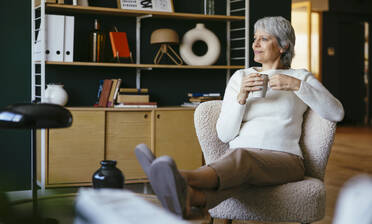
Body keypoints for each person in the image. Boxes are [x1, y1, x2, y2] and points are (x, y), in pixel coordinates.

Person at [135, 16, 344, 218]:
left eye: (263, 38)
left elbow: (336, 112)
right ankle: (191, 197)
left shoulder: (300, 77)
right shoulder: (240, 78)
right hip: (240, 157)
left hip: (286, 160)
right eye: (254, 38)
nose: (255, 44)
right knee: (239, 163)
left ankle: (180, 177)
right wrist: (241, 97)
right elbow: (224, 135)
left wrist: (297, 86)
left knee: (242, 158)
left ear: (283, 46)